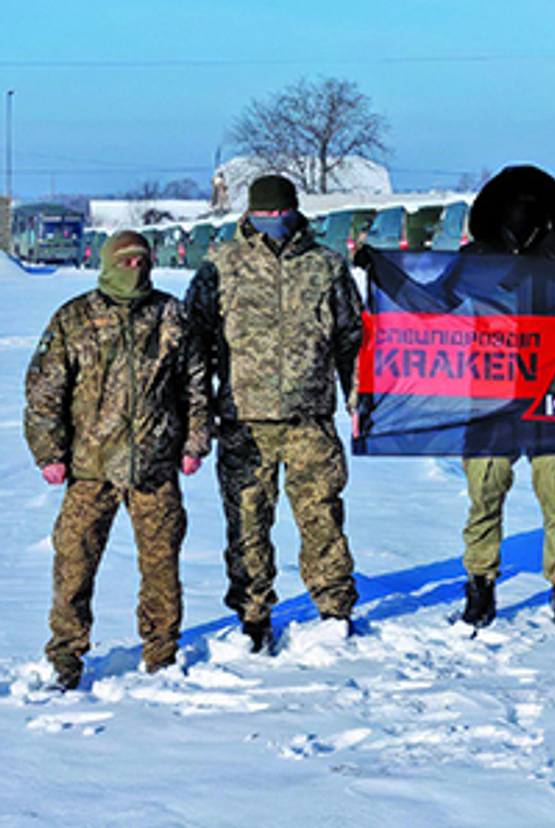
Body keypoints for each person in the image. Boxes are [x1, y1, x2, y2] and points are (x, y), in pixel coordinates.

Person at [25, 232, 211, 689]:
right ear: (107, 264)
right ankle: (66, 656)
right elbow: (45, 392)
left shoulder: (171, 315)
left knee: (161, 563)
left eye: (142, 262)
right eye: (125, 262)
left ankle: (161, 652)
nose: (135, 270)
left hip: (155, 465)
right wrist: (49, 453)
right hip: (90, 468)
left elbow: (196, 385)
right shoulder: (75, 317)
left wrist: (193, 443)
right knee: (74, 563)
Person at [188, 174, 362, 652]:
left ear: (294, 210)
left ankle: (333, 609)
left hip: (310, 421)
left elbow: (352, 340)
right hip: (243, 420)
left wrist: (356, 398)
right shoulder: (221, 265)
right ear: (249, 214)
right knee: (246, 523)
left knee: (322, 518)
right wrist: (199, 415)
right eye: (263, 215)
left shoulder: (325, 266)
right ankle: (253, 615)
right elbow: (195, 346)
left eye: (279, 214)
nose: (272, 223)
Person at [456, 165, 555, 629]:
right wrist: (386, 270)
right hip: (492, 392)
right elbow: (431, 302)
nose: (522, 211)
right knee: (485, 492)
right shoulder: (477, 255)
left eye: (532, 203)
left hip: (553, 392)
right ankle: (480, 583)